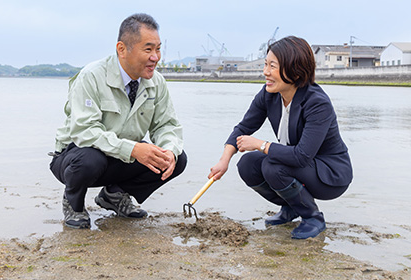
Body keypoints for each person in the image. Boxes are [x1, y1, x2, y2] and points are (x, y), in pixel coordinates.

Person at [50, 13, 187, 229]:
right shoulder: (91, 76)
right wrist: (133, 150)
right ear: (122, 49)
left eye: (158, 49)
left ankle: (114, 196)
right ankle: (74, 204)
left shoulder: (156, 82)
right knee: (90, 159)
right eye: (148, 49)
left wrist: (169, 150)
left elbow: (166, 125)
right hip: (75, 156)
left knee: (176, 159)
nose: (156, 57)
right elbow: (84, 131)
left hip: (120, 156)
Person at [209, 36, 352, 239]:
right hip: (298, 165)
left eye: (272, 66)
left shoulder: (317, 103)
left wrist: (260, 144)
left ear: (294, 69)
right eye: (266, 64)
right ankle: (292, 207)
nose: (265, 71)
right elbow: (244, 127)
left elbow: (302, 156)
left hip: (330, 174)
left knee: (272, 166)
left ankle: (313, 218)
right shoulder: (269, 94)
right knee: (248, 164)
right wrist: (224, 160)